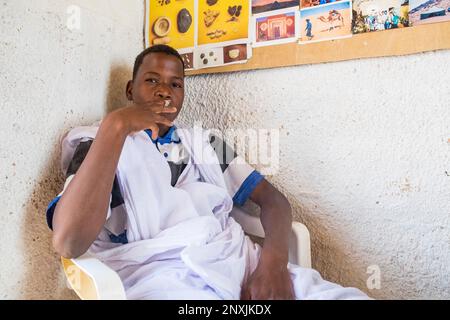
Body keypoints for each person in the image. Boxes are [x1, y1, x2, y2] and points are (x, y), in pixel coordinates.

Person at [47, 45, 370, 300]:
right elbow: (69, 241)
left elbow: (274, 202)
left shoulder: (206, 143)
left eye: (175, 84)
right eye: (152, 81)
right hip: (160, 277)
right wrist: (117, 128)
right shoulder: (98, 143)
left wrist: (272, 265)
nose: (164, 91)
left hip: (238, 262)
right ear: (130, 90)